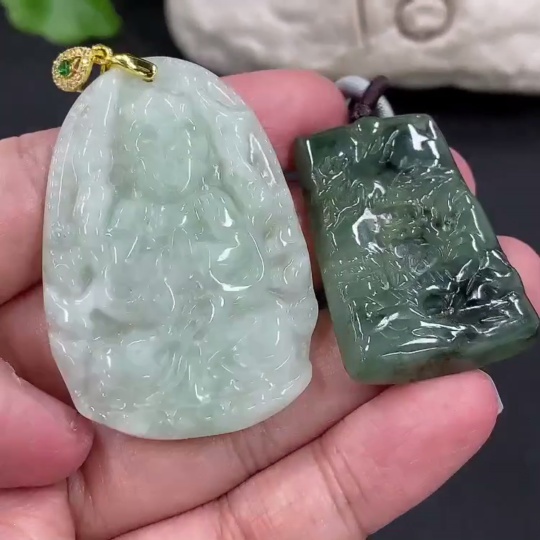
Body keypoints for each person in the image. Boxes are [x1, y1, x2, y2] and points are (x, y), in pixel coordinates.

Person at [0, 70, 537, 540]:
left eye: (182, 142)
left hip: (232, 340)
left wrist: (224, 269)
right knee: (129, 362)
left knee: (265, 339)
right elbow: (108, 296)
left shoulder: (217, 206)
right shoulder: (123, 220)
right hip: (152, 349)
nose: (170, 158)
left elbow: (257, 268)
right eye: (149, 146)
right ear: (130, 155)